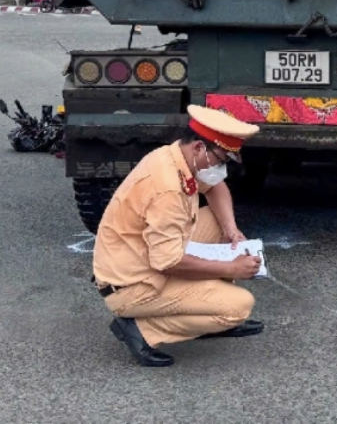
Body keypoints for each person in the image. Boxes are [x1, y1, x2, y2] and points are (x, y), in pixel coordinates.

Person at [93, 104, 265, 367]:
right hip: (134, 285)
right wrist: (231, 267)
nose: (222, 168)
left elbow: (216, 187)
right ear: (198, 147)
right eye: (221, 160)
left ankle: (208, 310)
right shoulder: (167, 190)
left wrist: (231, 230)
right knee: (240, 306)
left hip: (140, 254)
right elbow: (168, 262)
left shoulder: (177, 157)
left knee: (219, 223)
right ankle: (142, 329)